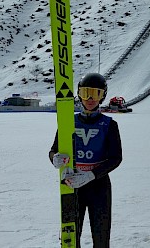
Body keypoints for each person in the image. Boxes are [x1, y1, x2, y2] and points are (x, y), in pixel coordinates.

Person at [49, 72, 122, 247]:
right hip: (72, 185)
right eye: (85, 93)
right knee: (71, 236)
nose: (90, 98)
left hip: (99, 187)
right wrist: (55, 159)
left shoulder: (109, 124)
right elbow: (53, 150)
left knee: (101, 236)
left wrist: (91, 175)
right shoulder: (68, 122)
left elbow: (115, 158)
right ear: (79, 94)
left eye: (96, 93)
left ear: (103, 96)